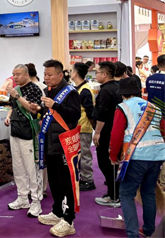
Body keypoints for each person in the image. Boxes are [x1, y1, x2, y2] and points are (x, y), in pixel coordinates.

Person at [110, 77, 165, 238]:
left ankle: (132, 234)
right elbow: (163, 129)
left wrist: (113, 155)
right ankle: (149, 231)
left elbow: (116, 134)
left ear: (122, 94)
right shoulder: (154, 107)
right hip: (156, 155)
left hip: (135, 156)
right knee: (149, 193)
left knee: (127, 194)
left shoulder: (123, 107)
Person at [35, 59, 81, 237]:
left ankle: (69, 220)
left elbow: (74, 115)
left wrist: (55, 106)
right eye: (45, 74)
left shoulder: (70, 92)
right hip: (50, 143)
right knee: (53, 180)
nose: (46, 78)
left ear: (60, 75)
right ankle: (57, 211)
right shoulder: (48, 90)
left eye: (50, 74)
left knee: (66, 182)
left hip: (64, 144)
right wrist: (39, 109)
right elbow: (49, 115)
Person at [4, 64, 43, 218]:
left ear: (26, 75)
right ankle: (22, 197)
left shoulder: (34, 89)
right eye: (13, 74)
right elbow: (13, 107)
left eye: (18, 74)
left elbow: (33, 109)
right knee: (18, 167)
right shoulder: (16, 89)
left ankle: (36, 201)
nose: (15, 77)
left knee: (31, 168)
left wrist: (17, 96)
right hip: (15, 131)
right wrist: (8, 116)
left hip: (29, 132)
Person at [93, 61, 121, 207]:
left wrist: (97, 132)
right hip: (117, 131)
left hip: (106, 131)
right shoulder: (118, 87)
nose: (95, 75)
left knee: (105, 162)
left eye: (97, 72)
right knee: (113, 162)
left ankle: (113, 196)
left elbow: (102, 113)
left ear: (104, 74)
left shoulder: (105, 91)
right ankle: (114, 193)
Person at [71, 62, 96, 192]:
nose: (70, 73)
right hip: (77, 126)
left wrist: (93, 126)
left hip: (84, 127)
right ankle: (83, 177)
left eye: (71, 71)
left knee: (85, 154)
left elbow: (90, 111)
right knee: (79, 154)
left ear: (75, 73)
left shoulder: (84, 90)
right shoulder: (78, 88)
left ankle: (88, 180)